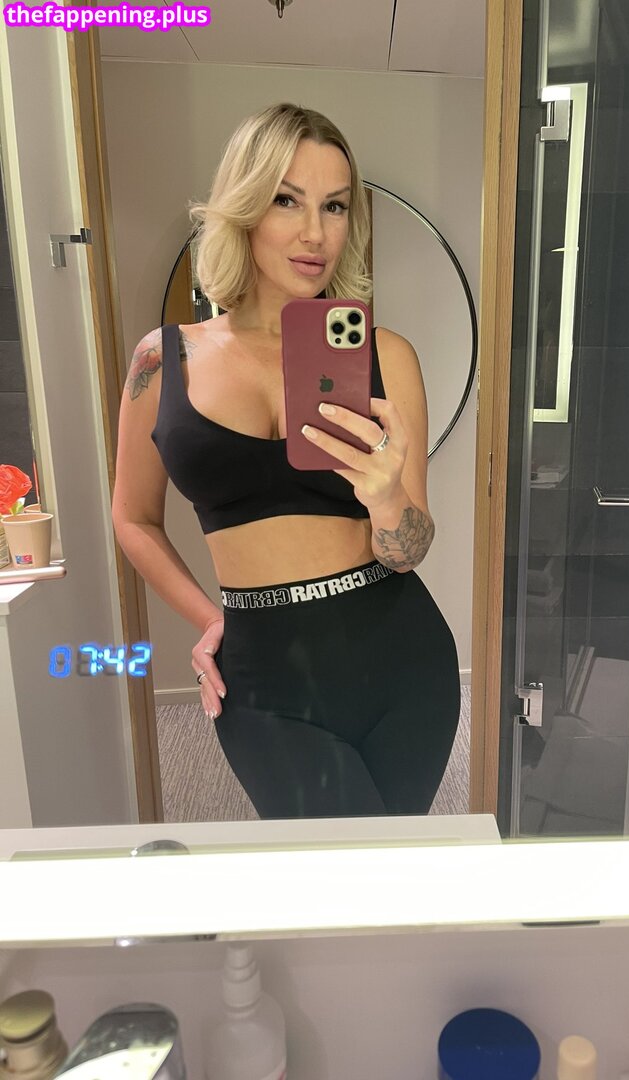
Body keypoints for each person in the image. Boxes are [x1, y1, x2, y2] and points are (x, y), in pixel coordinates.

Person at [111, 102, 461, 819]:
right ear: (243, 208)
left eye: (335, 206)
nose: (315, 233)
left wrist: (388, 498)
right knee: (336, 869)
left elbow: (412, 548)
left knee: (391, 872)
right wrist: (207, 617)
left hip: (403, 661)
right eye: (286, 200)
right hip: (262, 673)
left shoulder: (387, 357)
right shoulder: (162, 360)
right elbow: (133, 518)